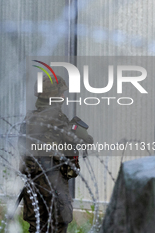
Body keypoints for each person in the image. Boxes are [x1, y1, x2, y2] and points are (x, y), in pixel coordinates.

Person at [19, 74, 93, 233]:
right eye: (61, 93)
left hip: (33, 180)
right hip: (54, 180)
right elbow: (79, 140)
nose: (63, 97)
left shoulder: (30, 118)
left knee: (37, 226)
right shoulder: (57, 118)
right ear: (53, 96)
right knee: (59, 225)